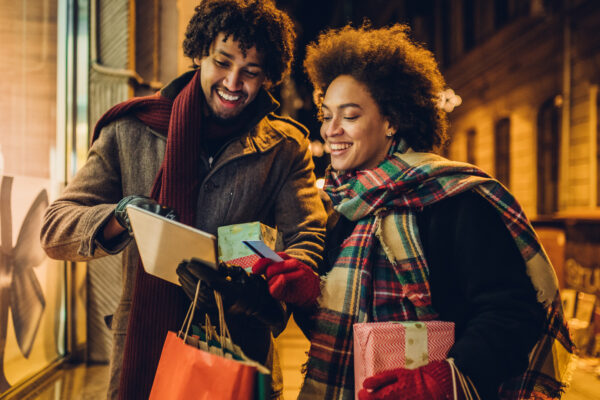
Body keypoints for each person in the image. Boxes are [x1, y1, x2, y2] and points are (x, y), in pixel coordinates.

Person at [252, 24, 575, 399]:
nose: (330, 130)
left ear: (391, 120)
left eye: (350, 115)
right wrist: (311, 297)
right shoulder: (346, 210)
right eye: (326, 115)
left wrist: (445, 378)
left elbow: (512, 314)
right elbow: (339, 334)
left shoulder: (456, 202)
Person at [40, 1, 326, 399]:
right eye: (222, 63)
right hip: (145, 349)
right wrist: (122, 215)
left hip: (240, 353)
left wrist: (259, 290)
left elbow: (307, 239)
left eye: (251, 72)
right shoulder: (129, 129)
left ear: (268, 78)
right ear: (199, 54)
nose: (233, 81)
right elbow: (55, 228)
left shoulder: (285, 148)